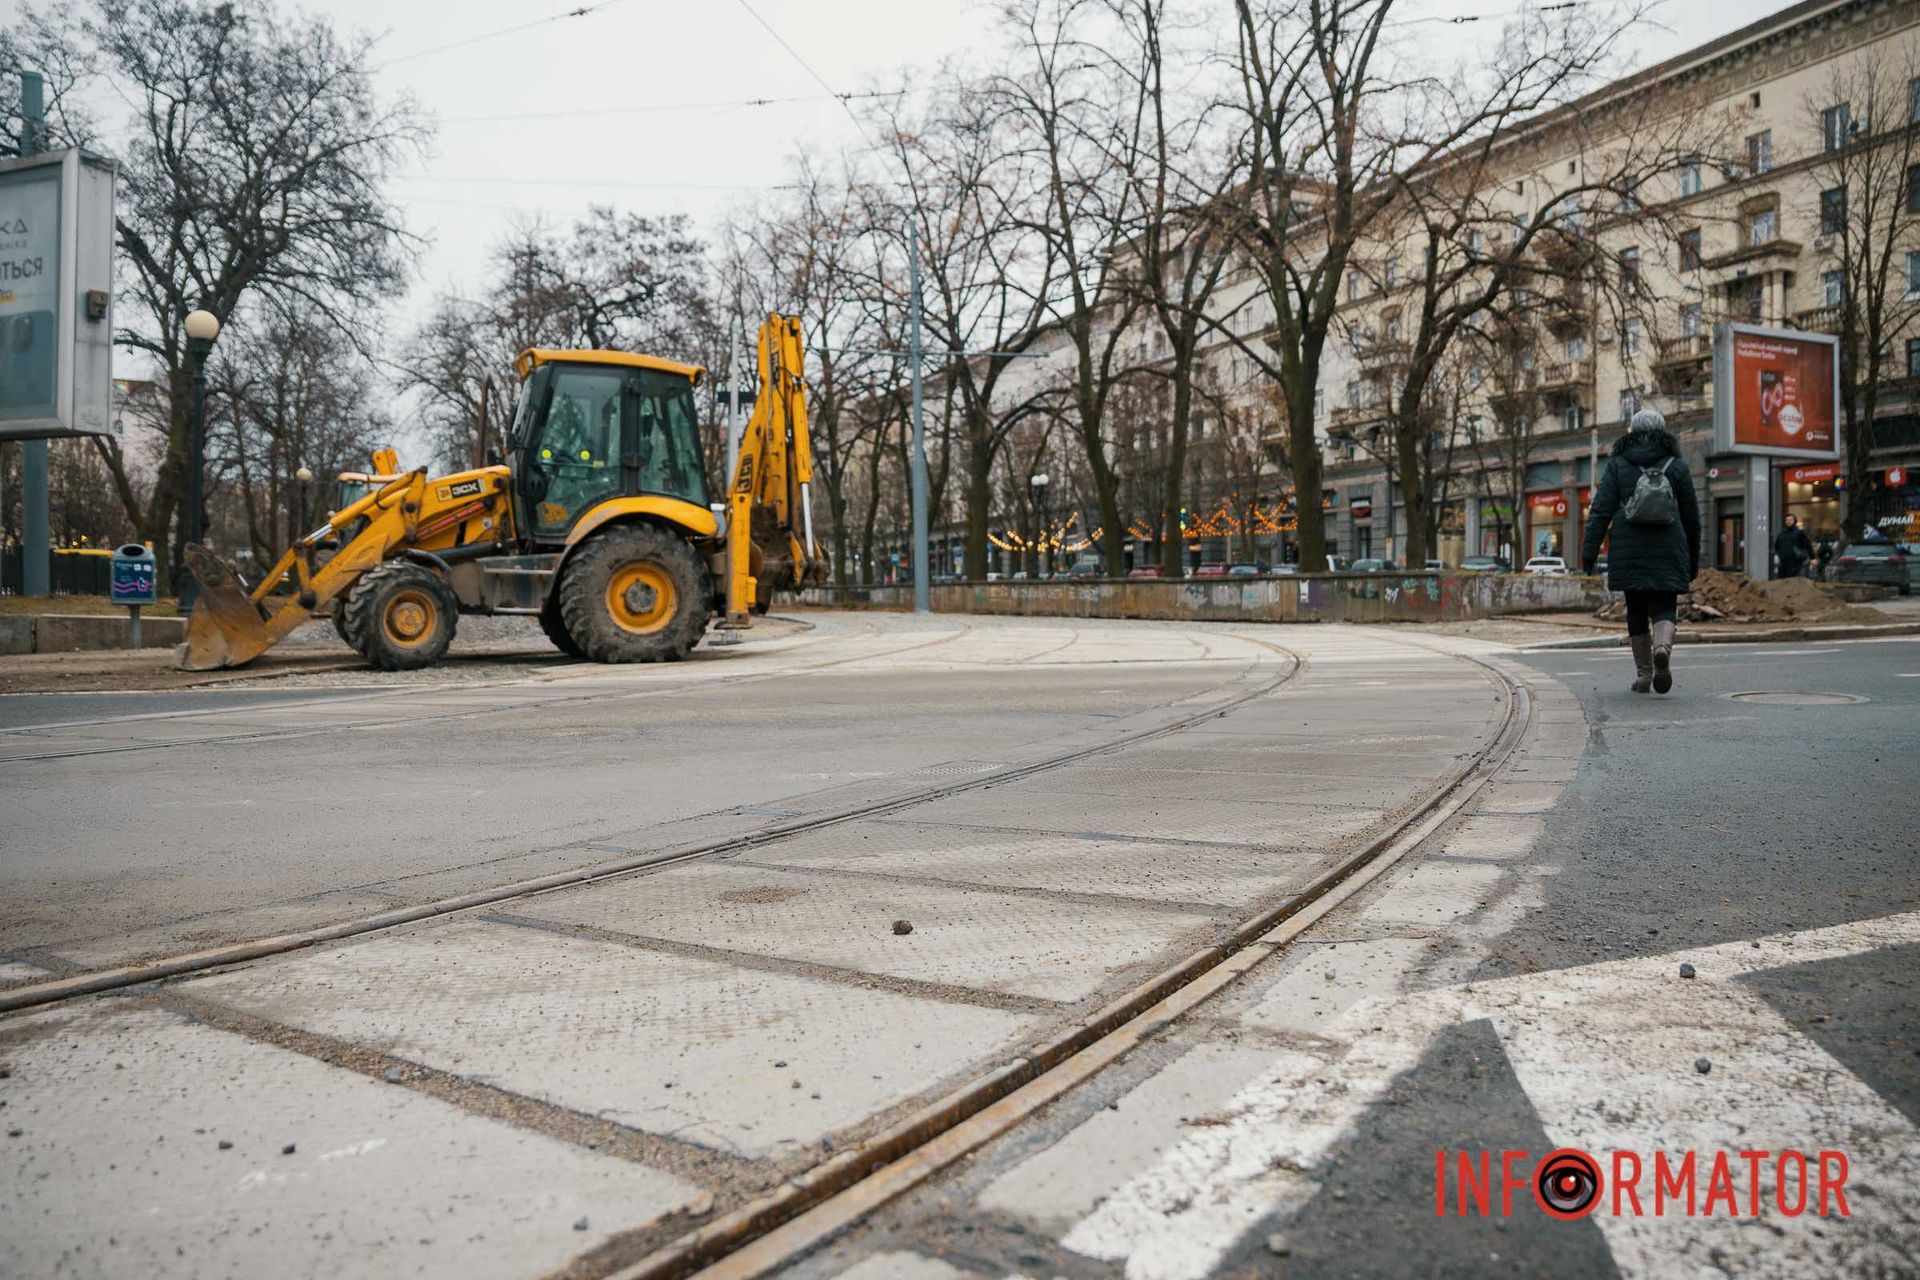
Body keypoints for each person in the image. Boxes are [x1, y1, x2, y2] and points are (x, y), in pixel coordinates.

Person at [1581, 408, 1701, 695]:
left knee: (1635, 609)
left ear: (1632, 432)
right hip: (1669, 546)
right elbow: (1692, 517)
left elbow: (1601, 510)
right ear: (1662, 432)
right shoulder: (1677, 466)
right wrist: (1693, 559)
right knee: (1664, 605)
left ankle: (1644, 675)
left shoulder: (1619, 464)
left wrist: (1589, 551)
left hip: (1628, 546)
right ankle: (1662, 648)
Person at [1774, 514, 1813, 579]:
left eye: (1790, 520)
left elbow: (1807, 545)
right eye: (1787, 520)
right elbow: (1777, 546)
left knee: (1793, 581)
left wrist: (1812, 557)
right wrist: (1779, 554)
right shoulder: (1781, 534)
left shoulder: (1800, 533)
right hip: (1783, 563)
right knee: (1782, 581)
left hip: (1795, 563)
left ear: (1794, 521)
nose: (1788, 521)